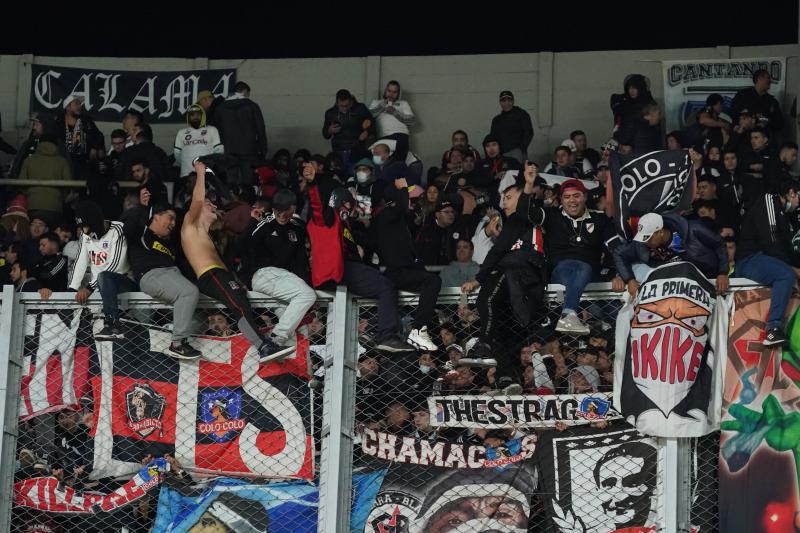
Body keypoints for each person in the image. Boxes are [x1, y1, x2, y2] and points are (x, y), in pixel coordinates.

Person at [305, 162, 412, 352]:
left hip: (347, 270)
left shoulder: (345, 227)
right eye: (348, 204)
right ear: (338, 202)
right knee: (385, 286)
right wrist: (313, 183)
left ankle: (377, 333)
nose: (351, 208)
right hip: (337, 271)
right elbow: (316, 205)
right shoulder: (325, 221)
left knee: (384, 284)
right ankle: (387, 336)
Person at [182, 161, 283, 361]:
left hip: (220, 273)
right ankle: (263, 346)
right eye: (209, 204)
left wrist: (253, 222)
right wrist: (201, 174)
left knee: (242, 304)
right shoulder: (190, 225)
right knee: (239, 305)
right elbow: (198, 199)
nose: (214, 206)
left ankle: (263, 344)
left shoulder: (208, 237)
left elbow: (234, 252)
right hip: (210, 274)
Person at [461, 178, 546, 392]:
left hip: (522, 273)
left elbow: (497, 254)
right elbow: (500, 250)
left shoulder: (528, 215)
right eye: (502, 198)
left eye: (508, 198)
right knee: (502, 329)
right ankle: (507, 378)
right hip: (515, 280)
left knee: (485, 299)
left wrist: (478, 279)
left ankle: (484, 345)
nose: (503, 202)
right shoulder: (512, 226)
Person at [516, 171, 614, 335]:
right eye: (567, 197)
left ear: (585, 197)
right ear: (561, 200)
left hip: (593, 278)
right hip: (560, 272)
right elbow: (523, 213)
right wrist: (528, 186)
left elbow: (615, 247)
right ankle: (569, 314)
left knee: (616, 313)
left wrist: (617, 275)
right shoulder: (551, 215)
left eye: (576, 196)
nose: (572, 201)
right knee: (580, 267)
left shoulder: (599, 218)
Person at [121, 189, 201, 360]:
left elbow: (185, 266)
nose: (173, 223)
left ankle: (175, 336)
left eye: (174, 220)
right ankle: (178, 344)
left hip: (172, 277)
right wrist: (142, 207)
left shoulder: (169, 244)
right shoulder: (140, 233)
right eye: (170, 218)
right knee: (188, 292)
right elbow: (127, 225)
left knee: (199, 305)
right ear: (156, 216)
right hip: (152, 275)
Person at [243, 188, 316, 357]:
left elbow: (301, 264)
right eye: (278, 211)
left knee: (293, 322)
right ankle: (275, 340)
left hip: (283, 281)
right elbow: (242, 247)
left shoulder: (297, 230)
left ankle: (278, 361)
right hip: (262, 275)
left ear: (293, 208)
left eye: (286, 211)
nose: (282, 215)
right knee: (307, 295)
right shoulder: (264, 224)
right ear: (273, 209)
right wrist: (252, 222)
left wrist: (306, 283)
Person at [370, 179, 441, 351]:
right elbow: (399, 204)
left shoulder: (400, 222)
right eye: (412, 200)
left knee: (432, 279)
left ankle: (420, 329)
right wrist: (402, 189)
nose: (414, 205)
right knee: (432, 282)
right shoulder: (385, 215)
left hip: (403, 270)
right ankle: (417, 330)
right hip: (394, 272)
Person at [734, 180, 800, 346]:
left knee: (790, 273)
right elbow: (771, 241)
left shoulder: (784, 216)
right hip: (749, 260)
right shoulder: (768, 201)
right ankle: (773, 329)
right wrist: (792, 269)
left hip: (764, 259)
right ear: (792, 193)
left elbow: (787, 247)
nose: (798, 205)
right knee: (786, 275)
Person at [611, 212, 729, 297]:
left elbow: (720, 244)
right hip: (673, 289)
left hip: (707, 281)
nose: (645, 242)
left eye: (648, 238)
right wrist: (629, 280)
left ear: (660, 232)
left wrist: (722, 273)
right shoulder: (642, 244)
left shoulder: (693, 229)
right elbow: (619, 254)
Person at [68, 201, 133, 340]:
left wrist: (89, 288)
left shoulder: (118, 229)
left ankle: (114, 326)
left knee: (104, 276)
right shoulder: (85, 237)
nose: (84, 232)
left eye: (85, 226)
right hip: (99, 292)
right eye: (81, 228)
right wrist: (72, 290)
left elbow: (117, 265)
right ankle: (111, 326)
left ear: (95, 221)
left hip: (123, 284)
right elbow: (80, 262)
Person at [214, 81, 268, 185]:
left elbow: (217, 131)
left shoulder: (220, 108)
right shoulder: (252, 106)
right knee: (248, 182)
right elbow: (260, 129)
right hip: (248, 150)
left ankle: (232, 199)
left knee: (231, 183)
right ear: (245, 91)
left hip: (228, 150)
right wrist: (263, 150)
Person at [18, 133, 72, 224]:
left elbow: (21, 183)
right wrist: (60, 197)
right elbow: (69, 184)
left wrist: (30, 195)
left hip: (32, 205)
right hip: (55, 206)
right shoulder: (62, 161)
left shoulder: (29, 160)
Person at [322, 89, 374, 173]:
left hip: (357, 147)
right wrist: (330, 130)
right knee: (340, 173)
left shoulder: (360, 108)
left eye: (347, 105)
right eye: (341, 106)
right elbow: (325, 134)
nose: (344, 108)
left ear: (351, 101)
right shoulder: (331, 113)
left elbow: (372, 124)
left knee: (356, 173)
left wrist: (367, 132)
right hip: (339, 149)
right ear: (337, 103)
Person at [368, 80, 415, 162]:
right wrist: (382, 106)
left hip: (401, 136)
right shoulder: (376, 102)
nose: (391, 94)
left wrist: (395, 112)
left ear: (398, 94)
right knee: (378, 160)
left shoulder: (403, 104)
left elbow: (412, 121)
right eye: (389, 91)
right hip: (384, 137)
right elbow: (368, 116)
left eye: (394, 92)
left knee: (398, 164)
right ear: (385, 91)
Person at [730, 69, 784, 139]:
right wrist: (743, 120)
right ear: (759, 79)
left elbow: (780, 123)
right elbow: (733, 112)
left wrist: (765, 121)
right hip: (743, 139)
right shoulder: (742, 95)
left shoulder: (772, 101)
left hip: (763, 142)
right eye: (768, 78)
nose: (770, 81)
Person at [173, 104, 224, 178]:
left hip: (207, 173)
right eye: (192, 115)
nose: (195, 117)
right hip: (186, 174)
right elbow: (177, 154)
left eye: (198, 114)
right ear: (188, 117)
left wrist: (212, 165)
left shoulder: (212, 130)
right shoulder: (181, 132)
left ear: (203, 116)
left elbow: (219, 151)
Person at [489, 90, 533, 163]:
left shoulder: (521, 115)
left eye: (509, 100)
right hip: (500, 154)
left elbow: (528, 132)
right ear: (500, 102)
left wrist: (521, 149)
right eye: (503, 100)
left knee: (517, 173)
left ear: (513, 101)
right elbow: (492, 137)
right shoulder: (497, 120)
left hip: (516, 153)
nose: (507, 103)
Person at [34, 232, 68, 299]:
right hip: (42, 298)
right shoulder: (41, 261)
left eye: (43, 245)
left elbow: (50, 274)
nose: (40, 248)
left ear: (54, 245)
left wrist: (36, 274)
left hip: (58, 299)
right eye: (40, 245)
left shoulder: (62, 260)